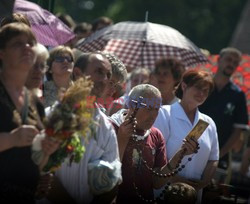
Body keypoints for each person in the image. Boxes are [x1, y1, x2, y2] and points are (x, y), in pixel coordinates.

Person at [47, 52, 121, 204]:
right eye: (99, 72)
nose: (105, 80)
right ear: (78, 73)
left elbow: (113, 181)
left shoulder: (106, 127)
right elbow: (42, 172)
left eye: (108, 75)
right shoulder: (52, 116)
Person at [0, 22, 59, 203]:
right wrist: (11, 139)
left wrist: (46, 151)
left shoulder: (35, 102)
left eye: (30, 43)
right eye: (17, 43)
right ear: (1, 53)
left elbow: (34, 161)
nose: (26, 47)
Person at [110, 84, 199, 203]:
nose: (153, 116)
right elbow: (106, 173)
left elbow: (157, 183)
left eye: (157, 109)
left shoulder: (156, 135)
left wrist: (180, 154)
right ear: (131, 105)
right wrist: (122, 139)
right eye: (149, 108)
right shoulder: (111, 128)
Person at [154, 69, 219, 203]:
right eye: (198, 88)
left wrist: (203, 183)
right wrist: (174, 178)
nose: (201, 93)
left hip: (194, 196)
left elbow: (213, 159)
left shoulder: (208, 123)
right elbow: (155, 156)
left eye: (206, 91)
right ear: (184, 86)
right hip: (164, 193)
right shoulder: (165, 114)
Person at [199, 47, 249, 183]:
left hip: (219, 157)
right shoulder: (202, 85)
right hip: (191, 146)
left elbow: (238, 130)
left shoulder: (238, 95)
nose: (231, 64)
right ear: (219, 60)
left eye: (235, 62)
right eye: (228, 60)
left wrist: (219, 154)